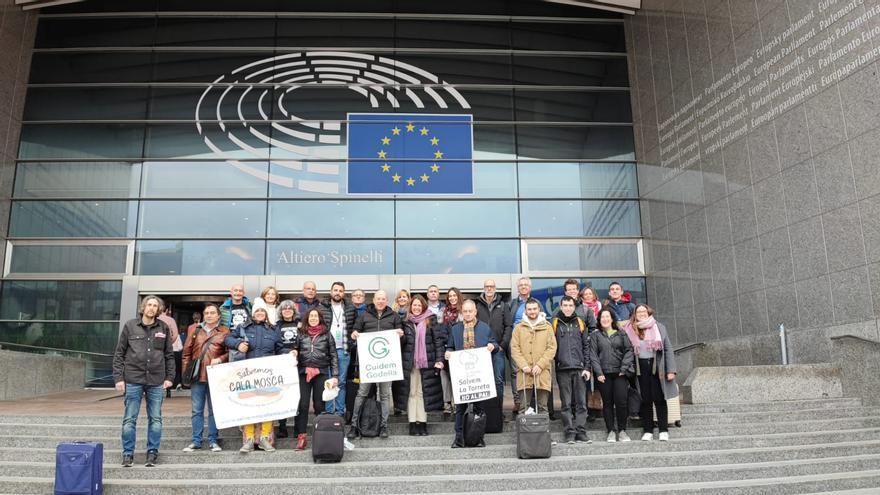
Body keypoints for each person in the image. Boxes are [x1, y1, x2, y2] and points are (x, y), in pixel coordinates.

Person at [112, 295, 175, 468]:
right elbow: (119, 354)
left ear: (158, 309)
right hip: (133, 379)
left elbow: (169, 355)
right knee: (129, 419)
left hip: (156, 380)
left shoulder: (163, 327)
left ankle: (152, 453)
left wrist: (170, 377)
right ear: (143, 307)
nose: (152, 308)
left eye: (155, 305)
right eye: (149, 305)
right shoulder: (130, 326)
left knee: (155, 419)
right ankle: (128, 454)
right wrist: (118, 378)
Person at [223, 300, 288, 453]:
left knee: (268, 406)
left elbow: (280, 348)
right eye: (257, 311)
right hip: (247, 375)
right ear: (253, 314)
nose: (260, 313)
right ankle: (249, 439)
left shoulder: (273, 330)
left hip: (267, 375)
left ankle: (265, 438)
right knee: (248, 407)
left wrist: (290, 352)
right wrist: (238, 344)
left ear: (266, 313)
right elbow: (227, 339)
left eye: (262, 311)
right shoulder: (243, 327)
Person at [347, 290, 405, 439]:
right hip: (368, 364)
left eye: (383, 299)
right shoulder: (363, 316)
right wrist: (354, 335)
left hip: (386, 364)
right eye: (378, 298)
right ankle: (354, 426)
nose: (380, 301)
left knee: (385, 395)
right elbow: (354, 333)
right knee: (362, 393)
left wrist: (401, 336)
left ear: (387, 300)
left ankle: (384, 426)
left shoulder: (394, 316)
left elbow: (401, 342)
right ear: (373, 300)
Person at [445, 299, 497, 448]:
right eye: (465, 311)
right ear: (462, 312)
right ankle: (459, 439)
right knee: (460, 409)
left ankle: (478, 438)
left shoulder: (485, 328)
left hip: (479, 375)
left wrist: (492, 346)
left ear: (475, 312)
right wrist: (448, 352)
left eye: (470, 311)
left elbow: (495, 344)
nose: (467, 314)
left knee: (479, 408)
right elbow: (450, 346)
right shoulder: (455, 329)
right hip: (462, 376)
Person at [623, 304, 677, 442]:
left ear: (648, 312)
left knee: (660, 398)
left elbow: (668, 349)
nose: (641, 313)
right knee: (645, 399)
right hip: (639, 368)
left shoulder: (658, 327)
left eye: (644, 311)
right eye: (638, 312)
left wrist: (671, 370)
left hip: (656, 367)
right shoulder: (629, 329)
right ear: (635, 314)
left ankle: (663, 430)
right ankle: (648, 430)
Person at [180, 303, 229, 453]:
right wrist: (186, 375)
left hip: (216, 376)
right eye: (206, 313)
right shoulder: (195, 331)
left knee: (214, 410)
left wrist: (220, 359)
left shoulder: (225, 331)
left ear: (218, 316)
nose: (209, 315)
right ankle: (196, 441)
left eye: (212, 313)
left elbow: (230, 352)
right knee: (196, 410)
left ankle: (213, 440)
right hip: (197, 376)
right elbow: (186, 353)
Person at [291, 308, 340, 450]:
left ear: (320, 318)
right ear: (307, 318)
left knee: (319, 405)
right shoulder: (301, 333)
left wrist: (335, 376)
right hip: (303, 372)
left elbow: (333, 355)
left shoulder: (327, 334)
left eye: (316, 316)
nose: (313, 318)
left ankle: (320, 435)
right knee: (303, 405)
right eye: (311, 316)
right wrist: (294, 351)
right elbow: (296, 348)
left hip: (321, 372)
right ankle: (301, 436)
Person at [398, 295, 445, 436]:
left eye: (419, 305)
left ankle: (422, 423)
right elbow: (402, 344)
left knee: (422, 393)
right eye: (414, 305)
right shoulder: (405, 321)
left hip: (427, 363)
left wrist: (440, 359)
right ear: (410, 306)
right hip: (410, 364)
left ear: (423, 306)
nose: (417, 308)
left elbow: (438, 341)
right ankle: (413, 423)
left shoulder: (431, 319)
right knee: (412, 392)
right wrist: (401, 336)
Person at [590, 308, 635, 443]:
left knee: (621, 402)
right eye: (602, 317)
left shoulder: (621, 333)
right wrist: (598, 372)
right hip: (603, 375)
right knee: (607, 403)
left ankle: (622, 430)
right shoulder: (596, 335)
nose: (605, 319)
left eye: (607, 316)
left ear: (612, 318)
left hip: (620, 373)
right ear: (599, 320)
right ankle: (610, 430)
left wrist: (624, 368)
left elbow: (629, 350)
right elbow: (593, 355)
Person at [552, 296, 592, 444]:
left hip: (580, 368)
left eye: (570, 305)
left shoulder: (580, 322)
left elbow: (586, 347)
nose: (568, 308)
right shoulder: (555, 323)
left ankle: (581, 432)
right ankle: (569, 432)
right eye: (565, 305)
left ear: (574, 307)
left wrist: (587, 367)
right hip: (562, 369)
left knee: (581, 403)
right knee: (566, 404)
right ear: (561, 306)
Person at [510, 299, 557, 415]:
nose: (532, 311)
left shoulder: (547, 327)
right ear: (525, 311)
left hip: (542, 373)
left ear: (539, 309)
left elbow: (552, 348)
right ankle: (524, 428)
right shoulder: (518, 328)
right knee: (523, 408)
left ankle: (543, 428)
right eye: (529, 309)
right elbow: (514, 348)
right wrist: (524, 365)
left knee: (543, 408)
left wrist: (540, 365)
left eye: (534, 309)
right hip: (524, 373)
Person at [507, 277, 545, 412]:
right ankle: (518, 401)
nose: (523, 287)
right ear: (518, 288)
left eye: (526, 285)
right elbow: (508, 323)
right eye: (521, 285)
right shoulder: (511, 304)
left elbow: (543, 320)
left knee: (534, 369)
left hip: (534, 340)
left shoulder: (537, 303)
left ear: (530, 288)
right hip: (517, 339)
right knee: (516, 371)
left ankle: (533, 401)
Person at [320, 281, 358, 417]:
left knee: (341, 382)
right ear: (331, 292)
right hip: (326, 350)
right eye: (335, 290)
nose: (338, 293)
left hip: (344, 349)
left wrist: (352, 340)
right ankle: (329, 412)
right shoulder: (322, 308)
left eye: (340, 291)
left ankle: (340, 412)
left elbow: (356, 326)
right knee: (328, 382)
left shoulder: (350, 308)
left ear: (344, 293)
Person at [474, 279, 512, 408]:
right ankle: (483, 411)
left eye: (491, 286)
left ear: (495, 288)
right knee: (482, 381)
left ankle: (497, 412)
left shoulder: (503, 305)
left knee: (498, 381)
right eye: (487, 286)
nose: (489, 288)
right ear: (484, 288)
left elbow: (508, 326)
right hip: (481, 351)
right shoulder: (477, 306)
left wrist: (502, 345)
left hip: (497, 350)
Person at [274, 299, 300, 438]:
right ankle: (282, 427)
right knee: (282, 395)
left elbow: (304, 342)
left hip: (298, 363)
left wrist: (297, 351)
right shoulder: (276, 326)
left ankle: (298, 427)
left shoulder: (300, 324)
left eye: (290, 308)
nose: (287, 310)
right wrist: (287, 352)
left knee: (298, 396)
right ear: (281, 311)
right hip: (282, 364)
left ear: (294, 311)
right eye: (285, 308)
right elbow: (275, 344)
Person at [439, 287, 464, 417]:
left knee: (457, 376)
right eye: (450, 296)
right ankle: (447, 403)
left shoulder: (464, 311)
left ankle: (456, 402)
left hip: (459, 349)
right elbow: (439, 331)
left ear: (458, 296)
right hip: (445, 348)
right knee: (445, 376)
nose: (452, 298)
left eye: (454, 295)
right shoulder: (443, 312)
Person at [158, 306, 181, 398]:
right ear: (167, 310)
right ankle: (168, 390)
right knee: (168, 368)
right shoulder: (170, 320)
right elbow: (175, 335)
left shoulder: (155, 319)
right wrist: (169, 343)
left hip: (155, 349)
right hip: (168, 348)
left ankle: (157, 388)